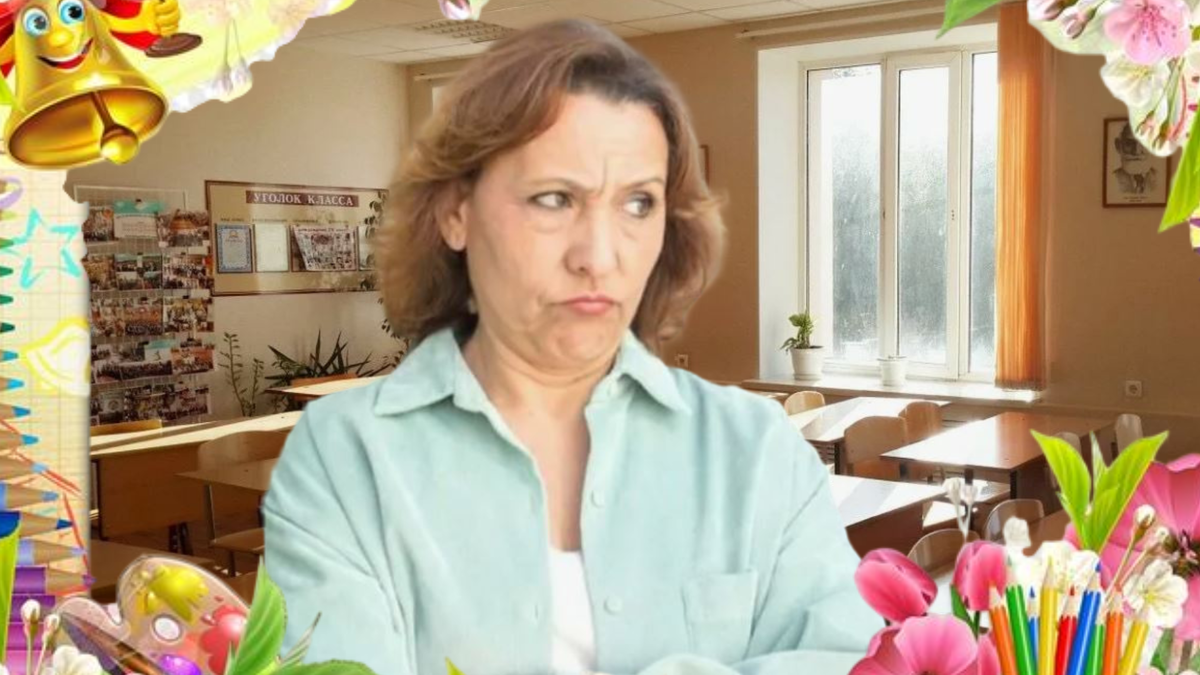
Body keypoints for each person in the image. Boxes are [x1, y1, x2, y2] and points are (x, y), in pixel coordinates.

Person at [263, 19, 878, 675]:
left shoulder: (756, 451)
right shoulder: (345, 458)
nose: (600, 256)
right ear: (455, 212)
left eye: (638, 203)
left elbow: (849, 659)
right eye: (555, 199)